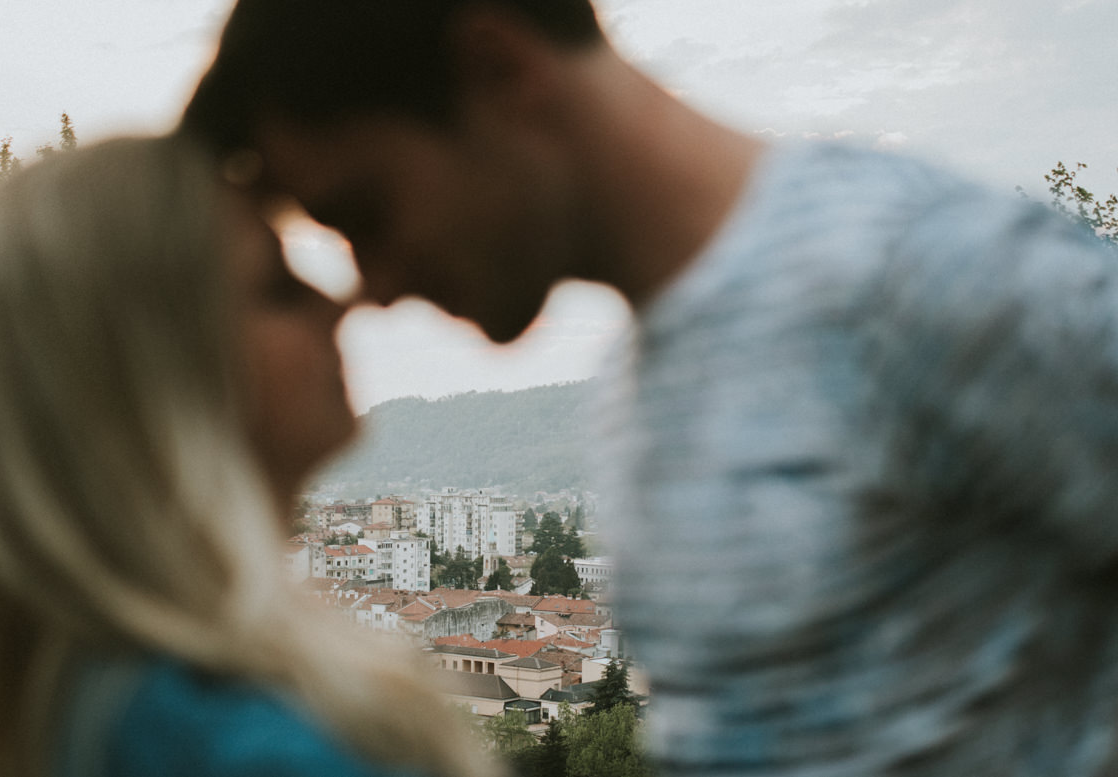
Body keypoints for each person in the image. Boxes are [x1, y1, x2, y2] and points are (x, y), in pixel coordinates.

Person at [182, 2, 1118, 776]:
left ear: (500, 68)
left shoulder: (926, 279)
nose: (372, 284)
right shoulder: (638, 378)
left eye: (364, 212)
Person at [0, 135, 500, 777]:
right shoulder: (246, 748)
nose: (338, 304)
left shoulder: (97, 695)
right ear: (163, 377)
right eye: (279, 288)